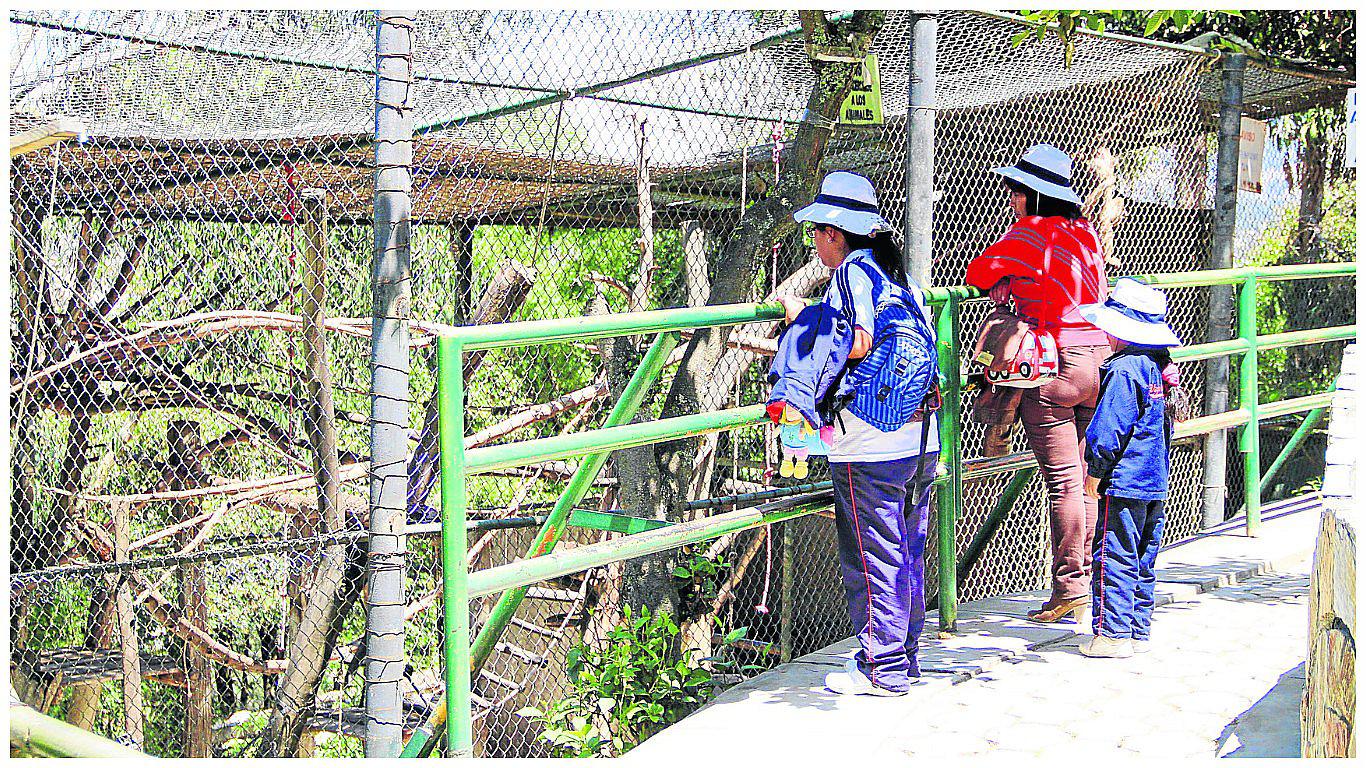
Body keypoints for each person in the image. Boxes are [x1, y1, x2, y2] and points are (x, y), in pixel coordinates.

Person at [774, 171, 940, 696]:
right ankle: (904, 657)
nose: (815, 242)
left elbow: (859, 342)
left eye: (817, 232)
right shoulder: (903, 276)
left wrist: (810, 320)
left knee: (872, 554)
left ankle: (880, 668)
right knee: (908, 547)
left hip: (868, 436)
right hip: (921, 436)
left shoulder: (851, 273)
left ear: (836, 235)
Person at [965, 144, 1110, 624]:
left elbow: (978, 272)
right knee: (1088, 475)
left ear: (1031, 195)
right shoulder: (1086, 235)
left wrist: (1007, 282)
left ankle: (1069, 587)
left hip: (1057, 361)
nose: (1009, 197)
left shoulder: (1028, 233)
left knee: (1063, 480)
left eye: (1014, 190)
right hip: (1100, 356)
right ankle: (1087, 577)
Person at [1075, 278, 1183, 657]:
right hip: (1154, 478)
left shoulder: (1124, 370)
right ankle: (1137, 628)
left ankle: (1112, 634)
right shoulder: (1156, 366)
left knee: (1113, 552)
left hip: (1123, 480)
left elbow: (1109, 428)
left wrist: (1096, 469)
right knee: (1143, 554)